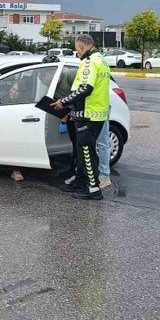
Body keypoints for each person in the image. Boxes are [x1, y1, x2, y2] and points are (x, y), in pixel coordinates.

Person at [51, 34, 111, 200]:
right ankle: (80, 182)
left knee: (86, 154)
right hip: (97, 113)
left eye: (77, 49)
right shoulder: (101, 59)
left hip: (88, 115)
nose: (77, 53)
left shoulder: (89, 61)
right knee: (84, 152)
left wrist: (63, 101)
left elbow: (85, 88)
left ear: (81, 47)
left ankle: (93, 190)